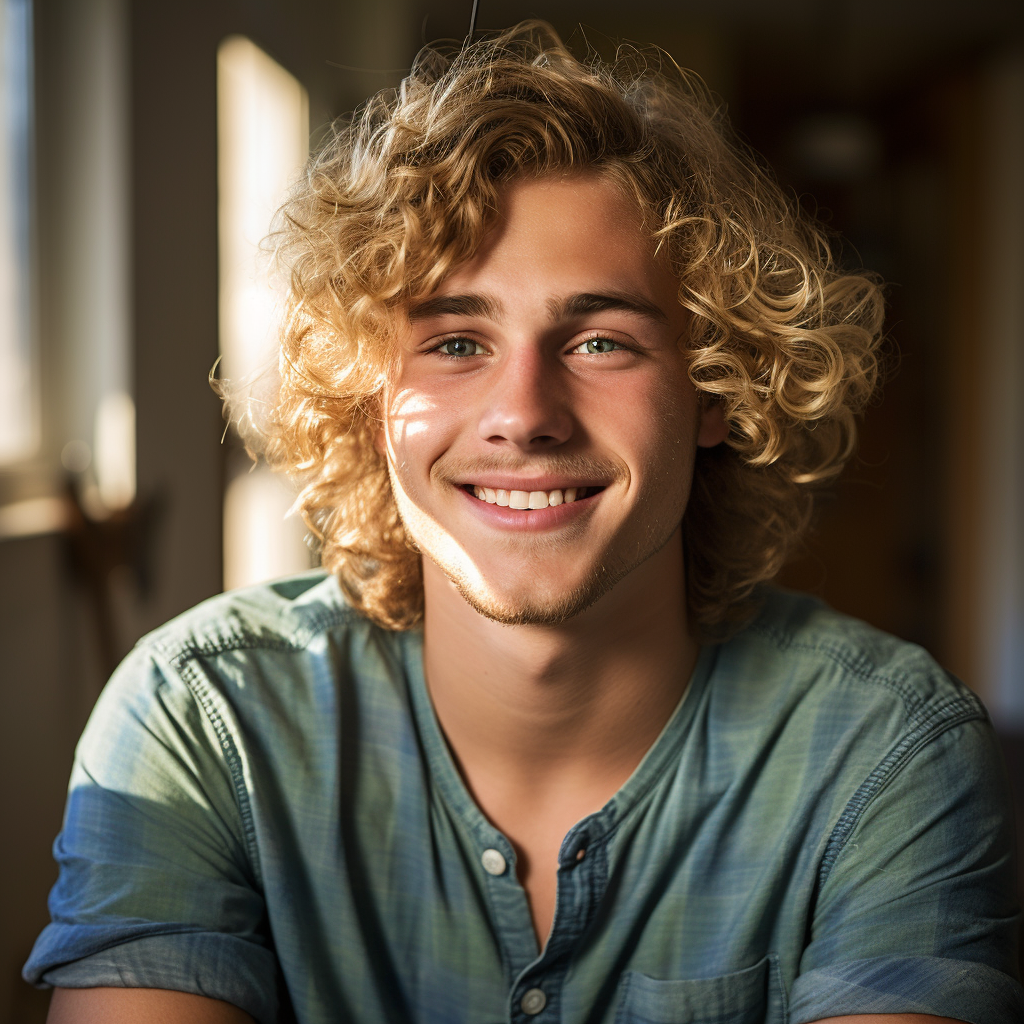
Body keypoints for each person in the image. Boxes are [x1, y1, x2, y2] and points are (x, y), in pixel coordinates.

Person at [26, 21, 1022, 1024]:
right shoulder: (204, 722)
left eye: (599, 341)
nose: (524, 414)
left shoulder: (886, 751)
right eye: (457, 340)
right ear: (371, 400)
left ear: (715, 386)